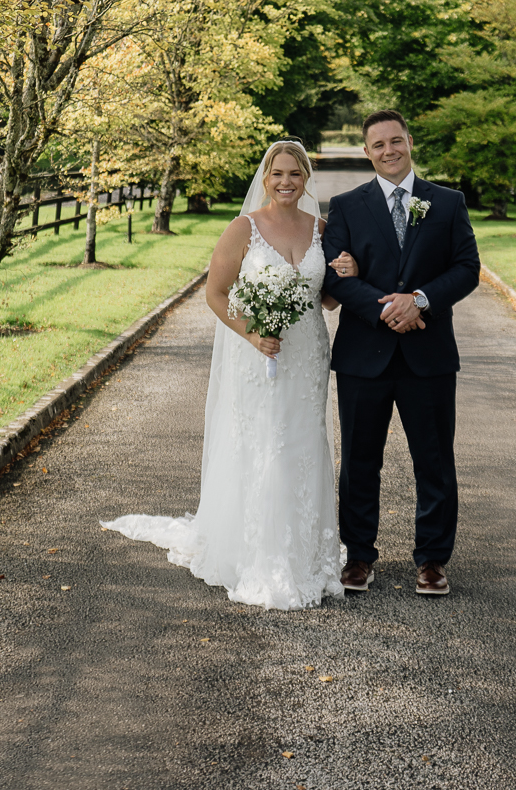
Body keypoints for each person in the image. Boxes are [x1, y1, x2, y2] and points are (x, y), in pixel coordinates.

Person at [100, 141, 344, 610]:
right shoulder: (243, 229)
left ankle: (308, 554)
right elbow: (216, 293)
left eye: (295, 174)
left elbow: (328, 298)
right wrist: (253, 335)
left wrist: (346, 269)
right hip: (258, 356)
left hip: (308, 355)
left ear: (307, 178)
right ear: (266, 177)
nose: (286, 182)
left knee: (303, 444)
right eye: (277, 174)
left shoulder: (323, 230)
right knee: (265, 442)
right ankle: (261, 556)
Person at [321, 110, 480, 597]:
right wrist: (387, 308)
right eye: (378, 145)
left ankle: (432, 560)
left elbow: (467, 268)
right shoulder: (346, 205)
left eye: (396, 141)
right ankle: (359, 556)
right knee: (360, 461)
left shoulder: (447, 202)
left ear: (410, 142)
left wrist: (421, 302)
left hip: (427, 353)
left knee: (433, 460)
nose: (389, 151)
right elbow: (332, 277)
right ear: (367, 152)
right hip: (363, 354)